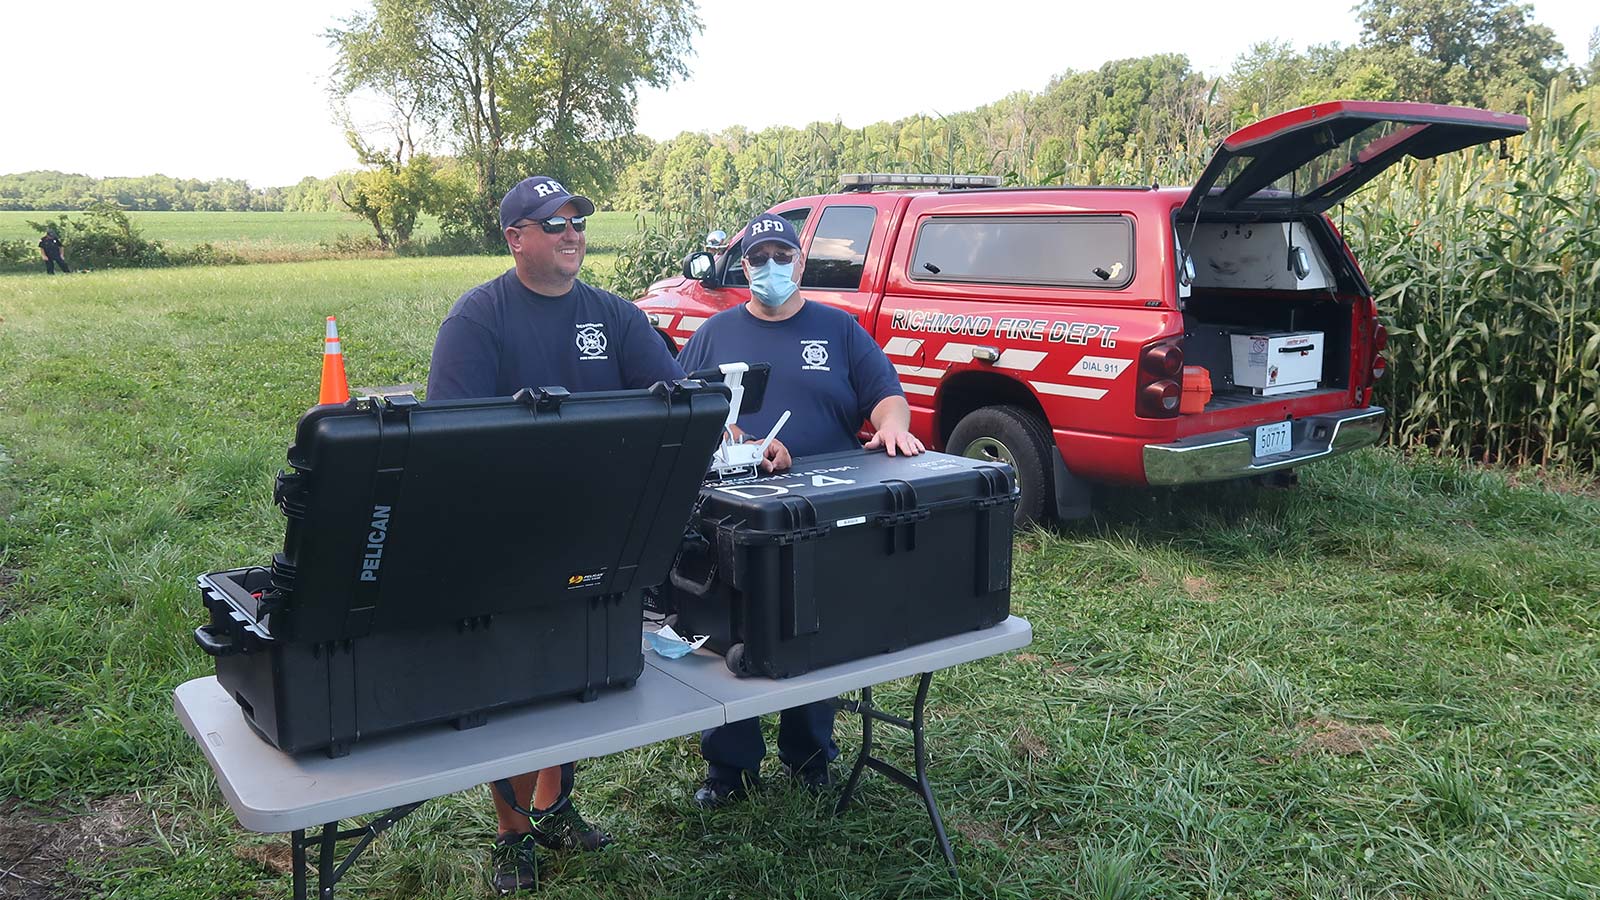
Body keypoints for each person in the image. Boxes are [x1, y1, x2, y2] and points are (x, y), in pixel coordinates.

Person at [427, 174, 684, 895]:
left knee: (576, 673)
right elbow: (447, 439)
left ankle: (557, 807)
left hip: (599, 526)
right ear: (516, 238)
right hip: (508, 536)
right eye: (554, 223)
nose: (572, 233)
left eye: (577, 221)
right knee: (512, 682)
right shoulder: (478, 319)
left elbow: (676, 400)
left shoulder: (615, 316)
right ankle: (512, 837)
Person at [676, 212, 925, 808]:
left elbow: (887, 396)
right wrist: (733, 439)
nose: (770, 268)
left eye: (781, 257)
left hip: (823, 515)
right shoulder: (713, 335)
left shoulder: (839, 330)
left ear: (800, 261)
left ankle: (810, 755)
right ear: (743, 266)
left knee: (814, 626)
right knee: (732, 635)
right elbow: (680, 408)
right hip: (736, 515)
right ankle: (729, 766)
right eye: (758, 258)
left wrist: (893, 427)